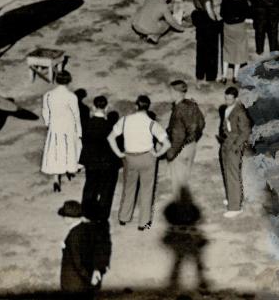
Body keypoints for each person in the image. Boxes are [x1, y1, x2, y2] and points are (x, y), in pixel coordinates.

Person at [110, 95, 170, 230]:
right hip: (147, 158)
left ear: (136, 106)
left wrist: (119, 153)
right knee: (147, 190)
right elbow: (166, 144)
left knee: (129, 188)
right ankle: (143, 223)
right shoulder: (152, 123)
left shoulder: (125, 120)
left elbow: (111, 138)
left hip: (130, 158)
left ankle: (124, 217)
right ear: (147, 108)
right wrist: (157, 154)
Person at [80, 96, 121, 222]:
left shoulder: (87, 124)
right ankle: (102, 216)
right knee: (106, 190)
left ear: (93, 107)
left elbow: (83, 143)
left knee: (90, 187)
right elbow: (117, 144)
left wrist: (81, 161)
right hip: (107, 164)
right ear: (107, 107)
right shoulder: (111, 126)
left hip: (91, 162)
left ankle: (86, 213)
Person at [41, 69, 83, 195]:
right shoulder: (71, 97)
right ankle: (69, 169)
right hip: (68, 126)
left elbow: (45, 111)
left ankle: (56, 179)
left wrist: (48, 123)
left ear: (56, 80)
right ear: (68, 81)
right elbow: (76, 115)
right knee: (69, 148)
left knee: (55, 150)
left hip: (55, 126)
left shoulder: (48, 95)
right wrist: (79, 131)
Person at [59, 199, 111, 295]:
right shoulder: (85, 228)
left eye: (64, 216)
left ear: (69, 218)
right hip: (82, 284)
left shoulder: (74, 236)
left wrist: (90, 278)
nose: (63, 218)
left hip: (74, 285)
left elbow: (77, 262)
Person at [164, 80, 206, 195]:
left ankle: (180, 210)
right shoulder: (192, 104)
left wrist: (171, 153)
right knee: (185, 180)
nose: (169, 94)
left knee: (177, 185)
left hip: (180, 149)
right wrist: (193, 138)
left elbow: (178, 136)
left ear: (177, 93)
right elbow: (201, 123)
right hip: (191, 147)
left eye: (171, 91)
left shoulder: (178, 110)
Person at [216, 85, 252, 218]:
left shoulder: (240, 112)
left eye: (230, 99)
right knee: (227, 171)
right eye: (226, 99)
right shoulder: (227, 108)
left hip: (233, 146)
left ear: (236, 99)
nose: (227, 101)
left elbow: (246, 132)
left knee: (233, 175)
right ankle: (232, 198)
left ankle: (235, 207)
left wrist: (236, 146)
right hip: (226, 143)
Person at [192, 0, 222, 82]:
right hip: (207, 20)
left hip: (199, 18)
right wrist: (215, 21)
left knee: (200, 49)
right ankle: (210, 76)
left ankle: (199, 75)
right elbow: (209, 10)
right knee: (212, 51)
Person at [220, 0, 251, 81]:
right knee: (239, 49)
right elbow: (247, 14)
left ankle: (224, 76)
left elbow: (222, 14)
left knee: (227, 49)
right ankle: (235, 76)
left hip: (228, 27)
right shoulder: (243, 1)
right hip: (239, 27)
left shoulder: (225, 0)